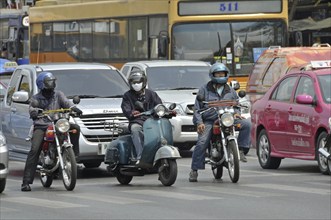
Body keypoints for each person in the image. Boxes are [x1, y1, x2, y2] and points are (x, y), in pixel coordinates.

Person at [189, 63, 251, 182]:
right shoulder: (204, 89)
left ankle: (242, 150)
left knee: (247, 124)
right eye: (217, 74)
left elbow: (236, 103)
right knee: (202, 141)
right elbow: (197, 109)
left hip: (228, 118)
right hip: (210, 120)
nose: (220, 75)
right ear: (212, 75)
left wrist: (237, 112)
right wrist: (199, 123)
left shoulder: (231, 90)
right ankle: (194, 170)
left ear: (226, 75)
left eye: (222, 73)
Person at [21, 72, 83, 191]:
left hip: (58, 123)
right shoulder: (36, 98)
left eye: (52, 81)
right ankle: (26, 182)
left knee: (75, 128)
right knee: (34, 149)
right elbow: (32, 109)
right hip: (42, 125)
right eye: (48, 82)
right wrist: (35, 112)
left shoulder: (58, 94)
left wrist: (74, 108)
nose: (51, 84)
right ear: (42, 84)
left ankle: (74, 156)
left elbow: (67, 103)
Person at [121, 70, 162, 164]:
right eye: (134, 82)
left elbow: (159, 105)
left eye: (139, 82)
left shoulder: (151, 94)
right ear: (130, 83)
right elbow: (125, 108)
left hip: (152, 121)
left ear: (144, 82)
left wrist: (165, 111)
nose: (136, 84)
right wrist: (132, 113)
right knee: (135, 129)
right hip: (137, 121)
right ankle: (140, 156)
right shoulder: (127, 96)